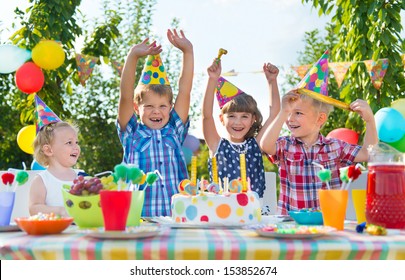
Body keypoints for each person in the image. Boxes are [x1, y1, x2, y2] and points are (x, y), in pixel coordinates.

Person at [259, 91, 378, 214]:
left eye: (298, 113)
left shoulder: (335, 147)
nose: (289, 119)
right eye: (288, 113)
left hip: (329, 221)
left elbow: (367, 153)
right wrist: (282, 112)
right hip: (291, 224)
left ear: (320, 118)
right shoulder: (285, 145)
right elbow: (265, 145)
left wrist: (370, 120)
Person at [117, 29, 194, 217]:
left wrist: (188, 52)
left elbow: (185, 91)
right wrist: (133, 56)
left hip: (176, 217)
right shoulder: (131, 133)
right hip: (138, 218)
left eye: (162, 106)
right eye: (149, 106)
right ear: (137, 108)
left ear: (170, 107)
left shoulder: (174, 129)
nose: (156, 111)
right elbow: (126, 96)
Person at [202, 57, 280, 212]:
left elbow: (274, 114)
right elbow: (206, 116)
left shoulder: (256, 144)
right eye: (231, 116)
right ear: (222, 119)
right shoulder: (216, 144)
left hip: (253, 212)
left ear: (253, 120)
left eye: (244, 116)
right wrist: (212, 80)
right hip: (221, 212)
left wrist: (272, 82)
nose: (237, 122)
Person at [29, 122, 81, 217]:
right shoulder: (42, 180)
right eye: (69, 142)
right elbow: (34, 209)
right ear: (49, 150)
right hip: (55, 231)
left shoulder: (81, 176)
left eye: (76, 142)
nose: (76, 147)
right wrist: (60, 211)